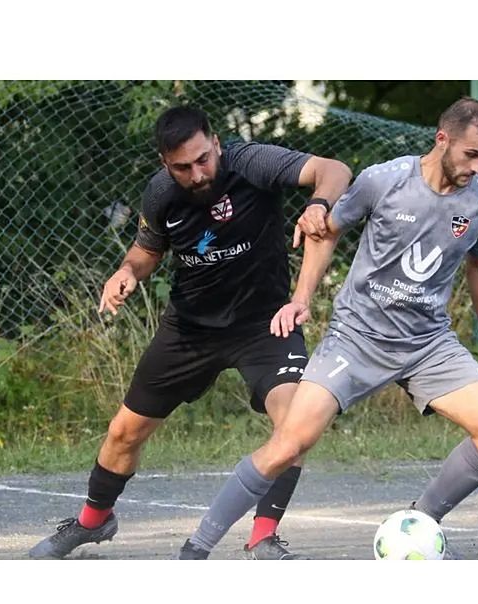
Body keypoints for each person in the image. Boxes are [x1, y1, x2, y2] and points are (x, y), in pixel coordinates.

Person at [181, 97, 478, 559]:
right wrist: (301, 299)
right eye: (471, 154)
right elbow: (326, 232)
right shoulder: (383, 180)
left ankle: (418, 524)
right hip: (357, 337)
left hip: (428, 343)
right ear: (442, 140)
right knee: (290, 443)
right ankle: (194, 550)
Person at [28, 105, 352, 559]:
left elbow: (334, 170)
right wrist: (126, 272)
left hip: (265, 323)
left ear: (216, 143)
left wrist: (318, 203)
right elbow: (146, 250)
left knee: (295, 421)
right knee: (124, 432)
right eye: (183, 166)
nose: (198, 173)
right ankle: (93, 521)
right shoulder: (161, 193)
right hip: (191, 328)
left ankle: (262, 537)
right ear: (166, 164)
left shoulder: (252, 163)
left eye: (203, 159)